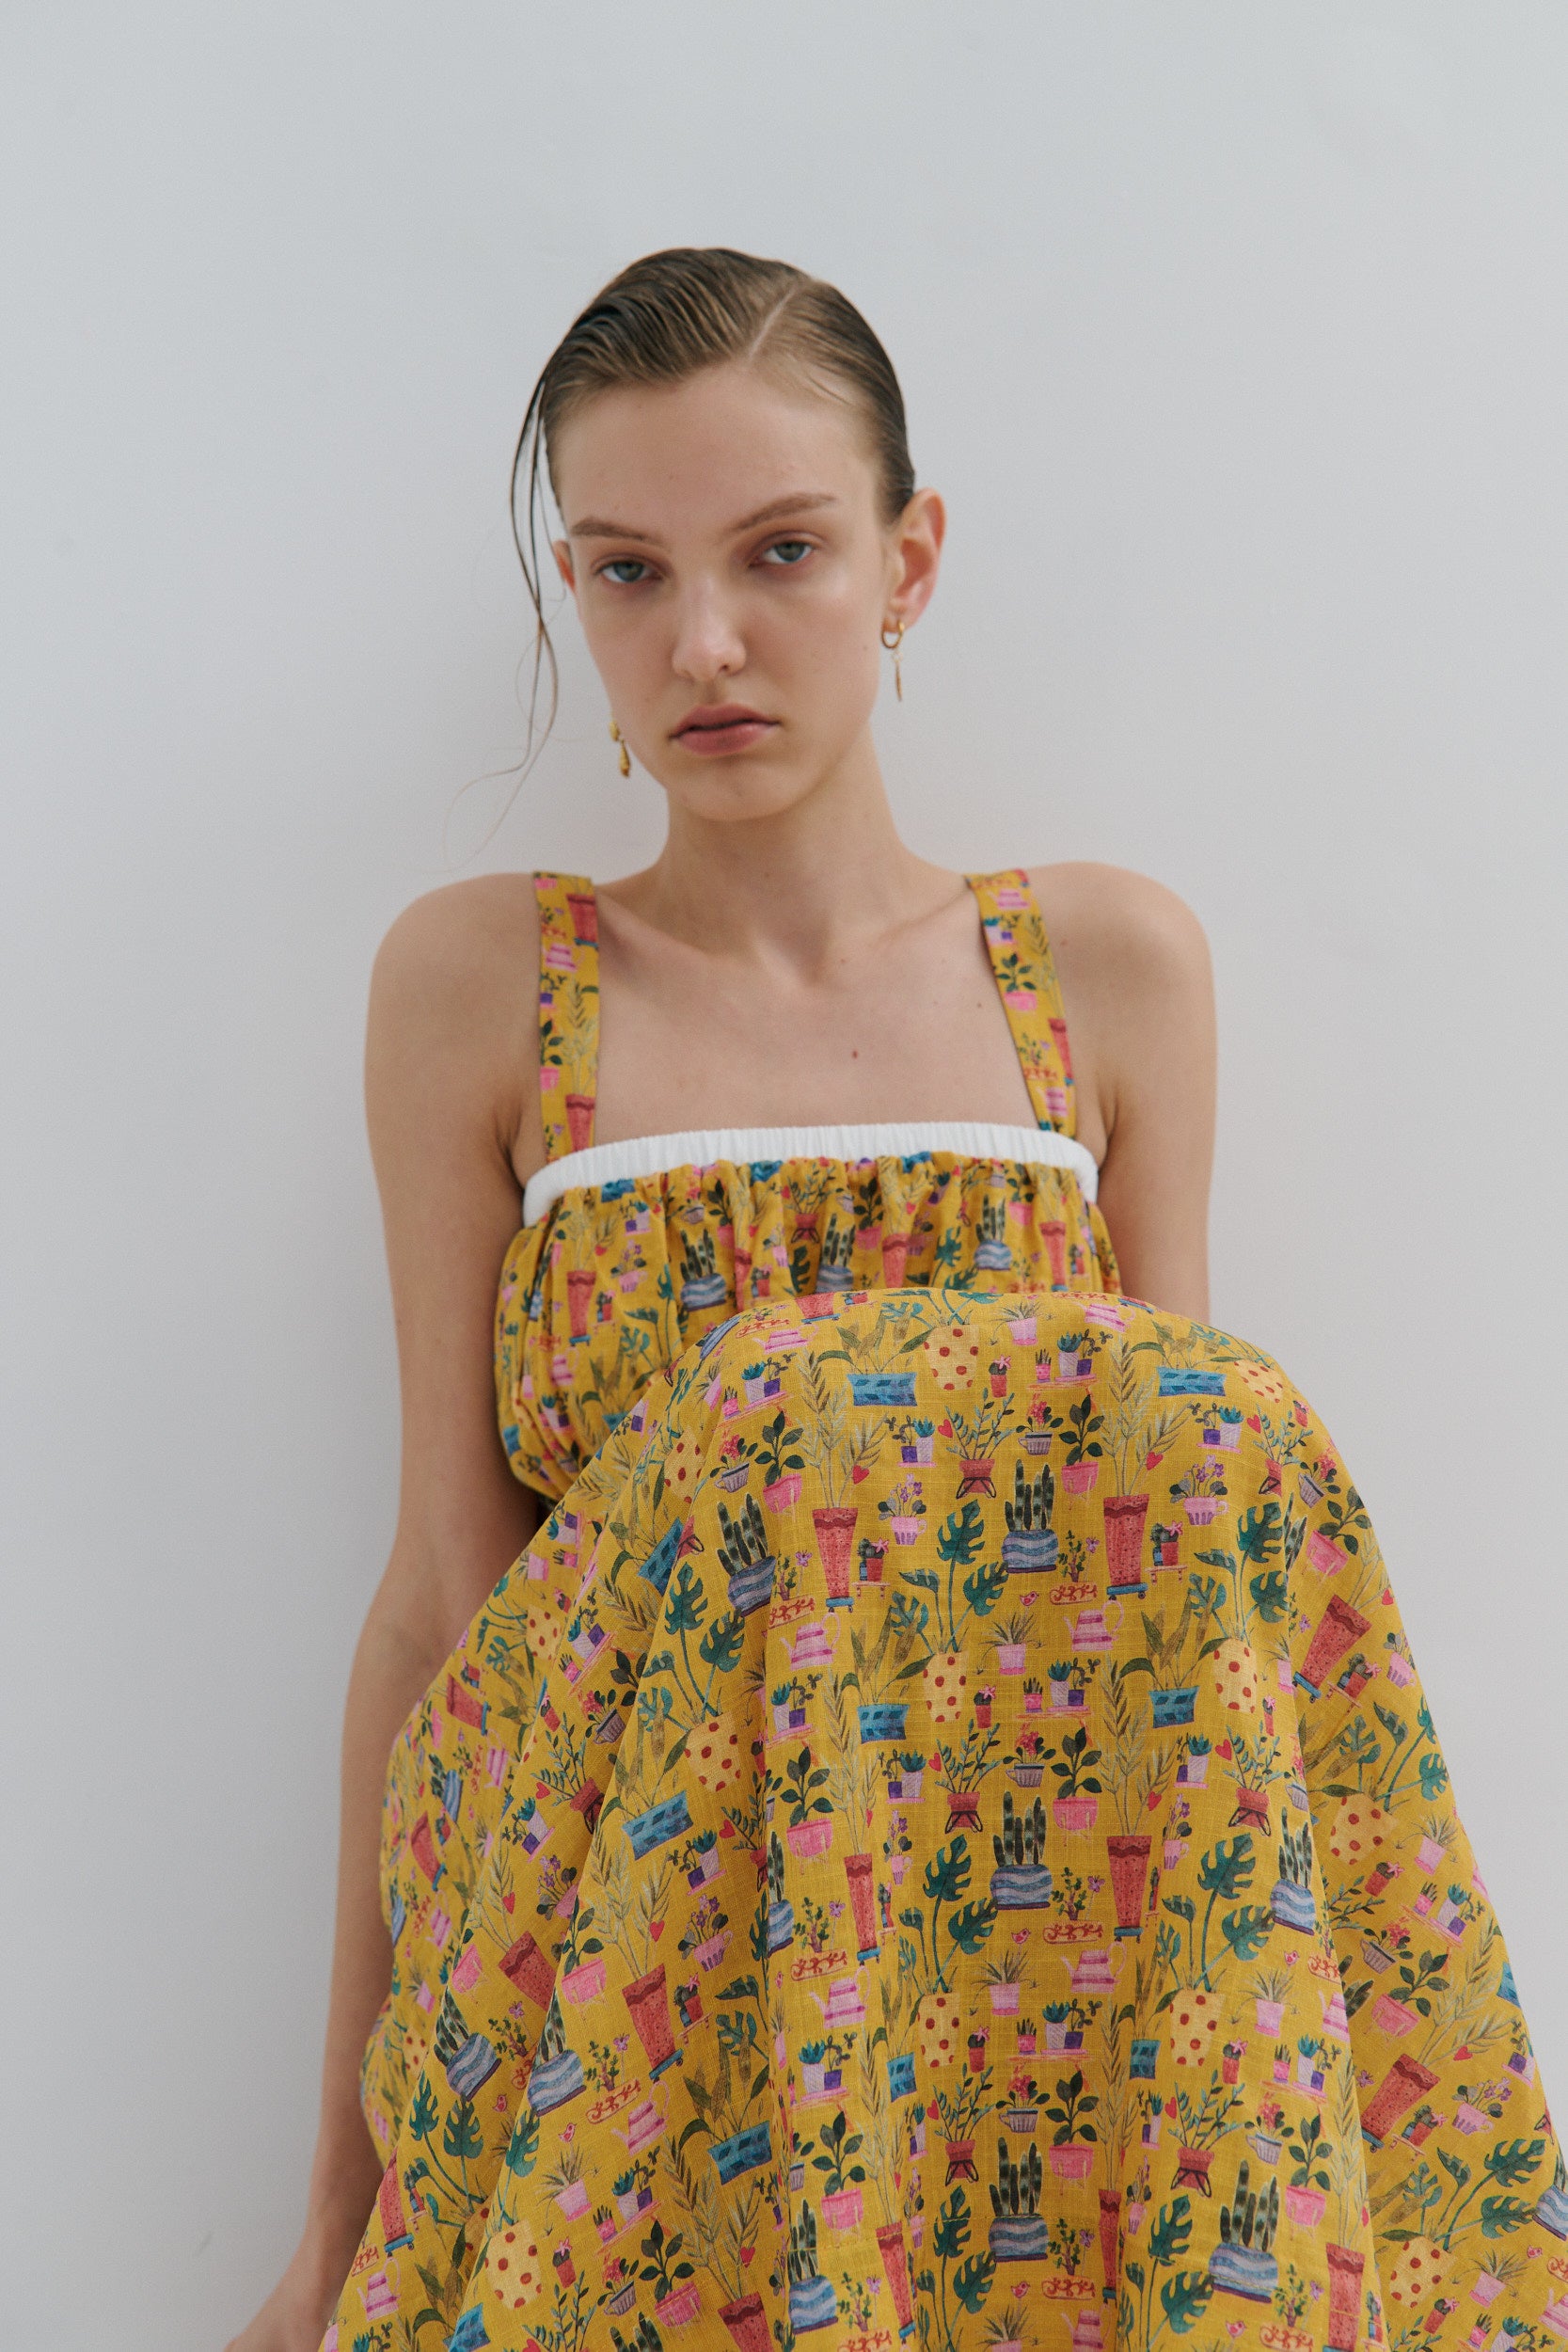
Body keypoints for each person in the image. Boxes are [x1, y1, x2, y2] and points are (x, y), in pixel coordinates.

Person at [229, 249, 1563, 2352]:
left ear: (909, 559)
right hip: (640, 1976)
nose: (708, 641)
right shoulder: (489, 986)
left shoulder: (1103, 974)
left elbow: (1178, 1603)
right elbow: (447, 1602)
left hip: (1048, 2003)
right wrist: (335, 2210)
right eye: (625, 572)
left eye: (780, 551)